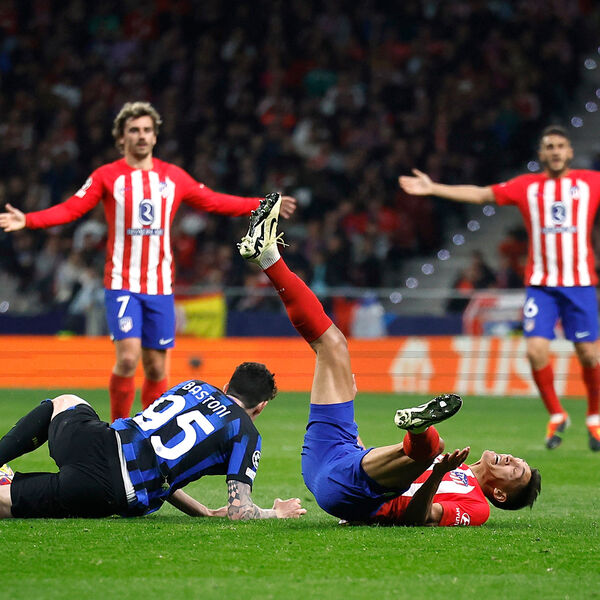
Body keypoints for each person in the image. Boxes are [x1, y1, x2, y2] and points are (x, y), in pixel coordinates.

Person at [236, 193, 541, 526]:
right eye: (519, 460)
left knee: (433, 448)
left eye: (516, 471)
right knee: (333, 344)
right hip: (336, 455)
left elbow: (419, 517)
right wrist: (349, 414)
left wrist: (436, 473)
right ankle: (268, 257)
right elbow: (376, 466)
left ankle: (420, 431)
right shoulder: (460, 469)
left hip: (351, 493)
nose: (513, 460)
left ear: (500, 494)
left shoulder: (477, 507)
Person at [0, 101, 297, 422]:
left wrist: (263, 204)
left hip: (159, 287)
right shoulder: (107, 176)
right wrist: (28, 220)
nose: (141, 136)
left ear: (155, 136)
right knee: (128, 359)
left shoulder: (173, 177)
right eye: (134, 130)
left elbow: (214, 201)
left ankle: (148, 431)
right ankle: (117, 428)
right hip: (122, 283)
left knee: (156, 367)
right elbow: (72, 208)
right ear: (121, 137)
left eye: (146, 130)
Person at [399, 125, 600, 452]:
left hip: (580, 284)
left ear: (570, 152)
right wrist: (433, 187)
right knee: (535, 350)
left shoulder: (591, 182)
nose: (555, 151)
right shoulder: (527, 186)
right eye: (549, 146)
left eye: (560, 146)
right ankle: (557, 414)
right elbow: (481, 194)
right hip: (542, 286)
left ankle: (594, 416)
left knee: (589, 354)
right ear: (541, 153)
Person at [0, 362, 306, 520]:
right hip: (107, 488)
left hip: (97, 439)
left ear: (226, 386)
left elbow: (153, 450)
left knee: (66, 402)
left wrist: (203, 512)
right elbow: (240, 510)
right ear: (260, 407)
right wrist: (276, 512)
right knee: (7, 502)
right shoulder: (245, 433)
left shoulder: (194, 386)